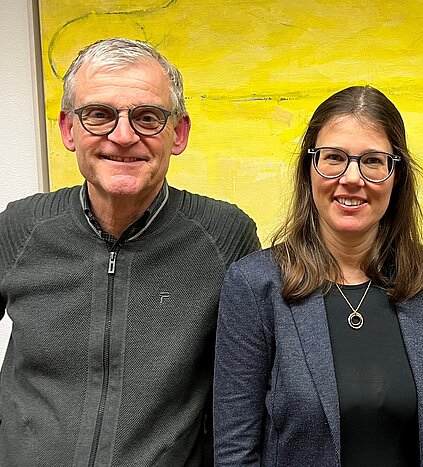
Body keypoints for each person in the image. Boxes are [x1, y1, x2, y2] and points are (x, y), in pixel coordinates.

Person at [0, 38, 260, 466]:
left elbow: (249, 394)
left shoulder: (225, 236)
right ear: (69, 129)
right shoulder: (20, 228)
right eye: (99, 115)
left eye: (147, 117)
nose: (123, 137)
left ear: (178, 133)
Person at [214, 85, 423, 466]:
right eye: (333, 157)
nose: (352, 178)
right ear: (309, 169)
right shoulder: (255, 286)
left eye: (372, 160)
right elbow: (236, 451)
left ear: (396, 176)